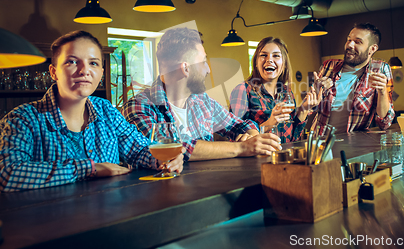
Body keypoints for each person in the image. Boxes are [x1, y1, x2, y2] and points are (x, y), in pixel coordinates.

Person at [0, 31, 183, 192]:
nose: (84, 70)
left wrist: (163, 160)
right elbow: (7, 174)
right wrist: (89, 169)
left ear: (102, 72)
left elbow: (140, 149)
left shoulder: (106, 110)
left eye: (93, 63)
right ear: (53, 72)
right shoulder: (22, 119)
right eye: (72, 61)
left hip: (110, 219)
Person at [121, 27, 281, 161]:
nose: (208, 70)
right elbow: (169, 149)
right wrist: (240, 148)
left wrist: (252, 136)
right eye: (204, 62)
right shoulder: (139, 106)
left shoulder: (202, 101)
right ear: (186, 68)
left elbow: (240, 125)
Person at [230, 37, 321, 143]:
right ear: (255, 62)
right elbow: (235, 138)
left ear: (284, 64)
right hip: (258, 158)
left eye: (276, 55)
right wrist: (269, 123)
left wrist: (304, 109)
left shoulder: (286, 92)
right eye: (263, 55)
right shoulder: (242, 90)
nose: (269, 59)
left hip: (284, 157)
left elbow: (292, 138)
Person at [312, 23, 395, 133]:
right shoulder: (329, 66)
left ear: (372, 49)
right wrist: (317, 91)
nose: (350, 45)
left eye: (358, 42)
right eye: (348, 40)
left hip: (353, 145)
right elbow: (311, 108)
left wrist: (383, 91)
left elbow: (384, 123)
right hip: (320, 142)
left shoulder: (380, 69)